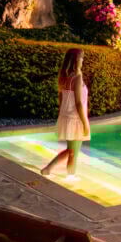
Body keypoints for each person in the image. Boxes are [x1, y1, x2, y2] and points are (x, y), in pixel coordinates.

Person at [42, 48, 90, 177]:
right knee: (73, 152)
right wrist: (85, 123)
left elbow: (61, 98)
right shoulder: (77, 78)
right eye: (81, 57)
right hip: (76, 119)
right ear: (76, 60)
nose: (82, 60)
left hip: (68, 117)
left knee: (71, 151)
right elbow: (79, 103)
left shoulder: (66, 77)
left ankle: (50, 169)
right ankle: (69, 176)